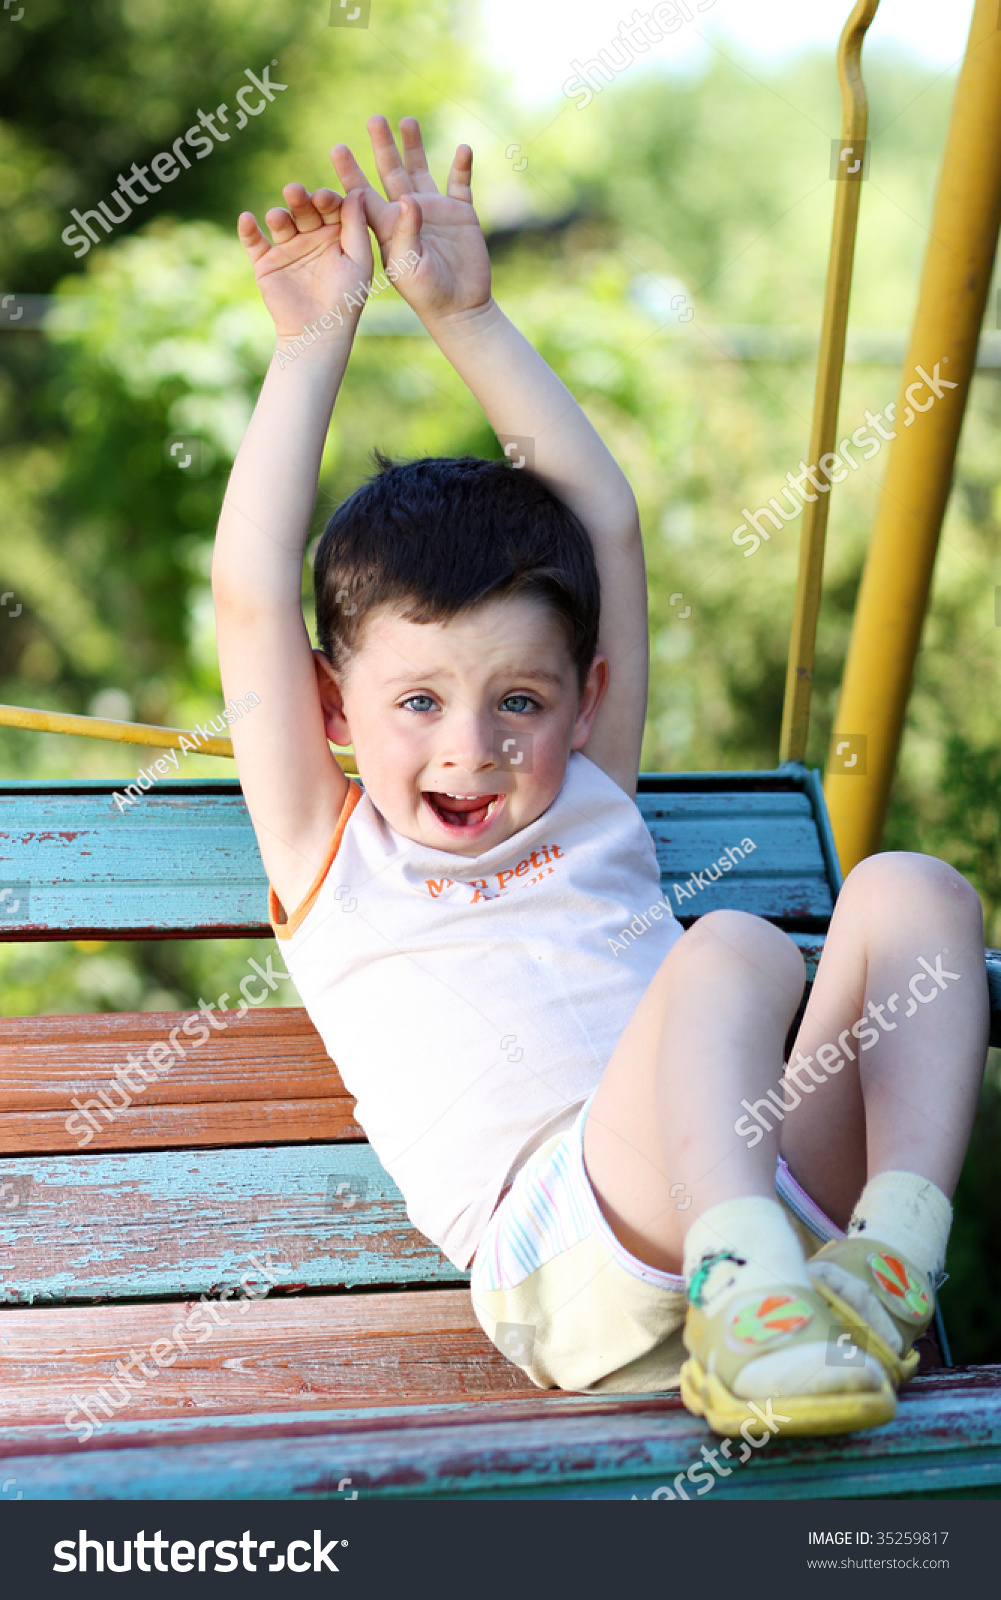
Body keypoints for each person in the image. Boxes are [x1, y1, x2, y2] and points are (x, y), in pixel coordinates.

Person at [212, 114, 989, 1437]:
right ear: (329, 706)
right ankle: (752, 1300)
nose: (468, 746)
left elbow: (601, 518)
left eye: (519, 700)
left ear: (588, 703)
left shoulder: (587, 796)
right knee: (734, 949)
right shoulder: (335, 861)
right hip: (564, 1258)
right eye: (415, 702)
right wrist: (309, 342)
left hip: (763, 1207)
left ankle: (886, 1268)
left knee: (914, 892)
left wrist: (467, 316)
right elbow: (245, 591)